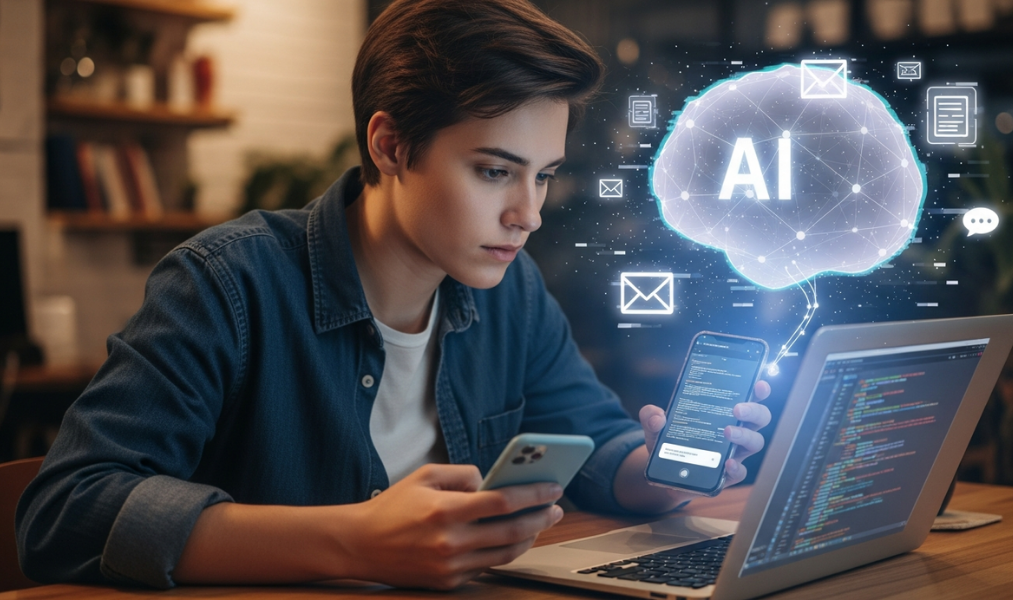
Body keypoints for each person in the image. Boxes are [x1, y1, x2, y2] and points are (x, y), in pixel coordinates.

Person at [16, 0, 771, 590]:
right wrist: (354, 538)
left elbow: (598, 444)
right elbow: (66, 513)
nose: (528, 214)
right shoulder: (225, 286)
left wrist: (664, 470)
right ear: (390, 146)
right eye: (494, 171)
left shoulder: (512, 292)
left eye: (542, 174)